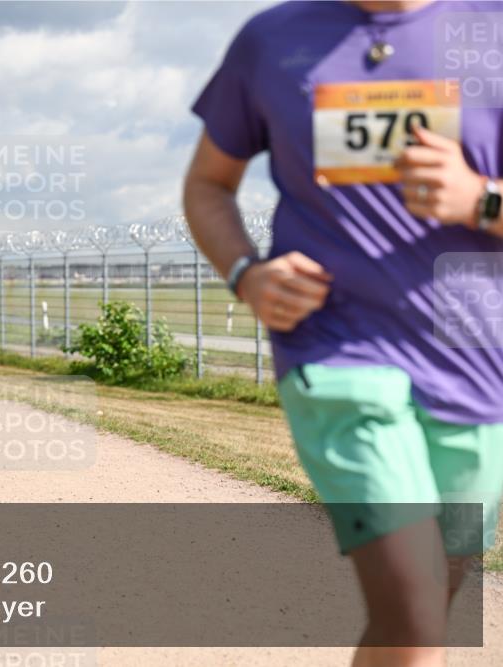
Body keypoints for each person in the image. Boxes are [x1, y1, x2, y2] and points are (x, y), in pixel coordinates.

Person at [183, 1, 502, 664]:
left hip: (479, 371)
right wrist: (248, 273)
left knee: (425, 607)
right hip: (336, 354)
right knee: (413, 612)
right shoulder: (272, 39)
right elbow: (209, 184)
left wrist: (481, 199)